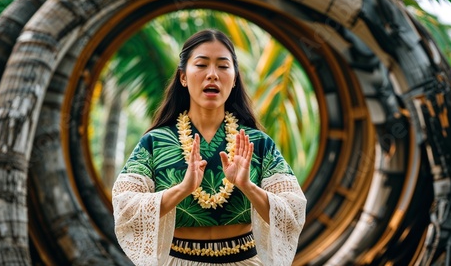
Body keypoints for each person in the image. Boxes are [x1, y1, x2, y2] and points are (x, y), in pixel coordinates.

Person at [112, 29, 307, 266]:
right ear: (183, 77)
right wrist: (184, 188)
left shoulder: (258, 143)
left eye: (223, 66)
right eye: (202, 65)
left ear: (234, 78)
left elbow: (292, 212)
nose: (212, 74)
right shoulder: (155, 143)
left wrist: (247, 186)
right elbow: (125, 208)